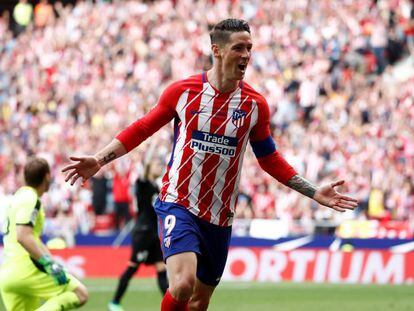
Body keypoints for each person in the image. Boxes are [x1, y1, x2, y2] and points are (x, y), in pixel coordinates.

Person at [62, 19, 358, 311]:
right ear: (217, 50)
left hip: (220, 217)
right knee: (181, 284)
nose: (246, 55)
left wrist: (312, 191)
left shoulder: (255, 105)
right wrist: (99, 159)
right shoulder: (183, 92)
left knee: (199, 302)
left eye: (249, 48)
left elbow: (269, 158)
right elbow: (142, 128)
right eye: (238, 48)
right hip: (178, 203)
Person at [0, 157, 88, 311]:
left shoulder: (17, 198)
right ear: (47, 176)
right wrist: (49, 263)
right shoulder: (31, 199)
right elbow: (23, 235)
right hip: (27, 267)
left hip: (7, 272)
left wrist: (50, 259)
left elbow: (29, 236)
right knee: (80, 294)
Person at [108, 145, 168, 311]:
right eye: (157, 165)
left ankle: (173, 307)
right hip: (143, 233)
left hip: (154, 234)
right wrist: (153, 147)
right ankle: (114, 302)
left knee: (161, 268)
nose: (160, 167)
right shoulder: (142, 183)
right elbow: (145, 164)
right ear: (149, 167)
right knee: (132, 267)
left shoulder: (156, 187)